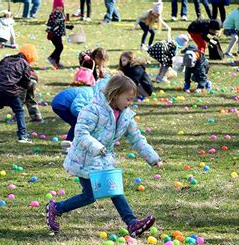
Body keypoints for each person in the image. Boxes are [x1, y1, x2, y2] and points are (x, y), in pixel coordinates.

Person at [46, 75, 162, 236]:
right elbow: (80, 133)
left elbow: (136, 138)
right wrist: (97, 147)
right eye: (127, 99)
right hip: (85, 158)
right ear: (115, 95)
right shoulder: (93, 109)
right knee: (90, 196)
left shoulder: (125, 115)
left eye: (131, 100)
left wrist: (153, 157)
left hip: (104, 158)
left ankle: (132, 223)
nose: (130, 103)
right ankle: (56, 208)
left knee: (113, 190)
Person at [51, 87, 94, 151]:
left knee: (76, 123)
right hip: (61, 104)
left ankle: (71, 142)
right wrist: (84, 117)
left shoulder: (91, 92)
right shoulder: (89, 94)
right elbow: (75, 108)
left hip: (59, 103)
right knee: (77, 124)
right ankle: (68, 143)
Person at [46, 0, 73, 69]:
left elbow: (63, 23)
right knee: (60, 47)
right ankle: (51, 57)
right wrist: (49, 31)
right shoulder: (54, 14)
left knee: (59, 47)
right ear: (55, 7)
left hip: (59, 34)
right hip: (54, 34)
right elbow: (50, 23)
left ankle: (57, 62)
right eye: (58, 7)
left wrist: (68, 26)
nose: (60, 8)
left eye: (61, 6)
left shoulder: (62, 14)